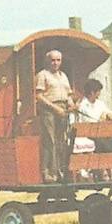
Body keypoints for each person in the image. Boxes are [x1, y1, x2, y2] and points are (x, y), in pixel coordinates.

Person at [35, 50, 74, 182]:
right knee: (49, 141)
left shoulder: (63, 76)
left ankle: (59, 171)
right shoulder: (43, 75)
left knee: (61, 142)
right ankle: (47, 173)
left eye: (58, 60)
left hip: (63, 109)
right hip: (49, 110)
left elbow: (68, 95)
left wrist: (72, 106)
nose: (55, 63)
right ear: (48, 61)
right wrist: (55, 108)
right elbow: (39, 96)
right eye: (53, 60)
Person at [76, 78, 112, 181]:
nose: (99, 94)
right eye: (98, 91)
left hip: (100, 133)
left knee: (110, 144)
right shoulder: (82, 105)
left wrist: (107, 115)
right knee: (101, 143)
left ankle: (111, 171)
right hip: (87, 133)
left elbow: (110, 113)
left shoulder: (100, 104)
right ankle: (104, 172)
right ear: (92, 92)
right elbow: (84, 122)